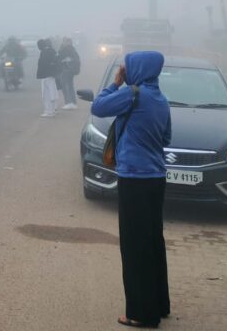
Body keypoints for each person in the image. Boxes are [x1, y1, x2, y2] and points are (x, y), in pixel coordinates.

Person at [91, 51, 172, 329]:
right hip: (156, 178)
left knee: (135, 246)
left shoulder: (133, 95)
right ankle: (159, 304)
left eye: (128, 67)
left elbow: (98, 107)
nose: (125, 70)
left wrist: (115, 83)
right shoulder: (160, 99)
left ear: (138, 69)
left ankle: (141, 313)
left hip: (134, 179)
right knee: (152, 241)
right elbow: (166, 137)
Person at [35, 38, 60, 117]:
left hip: (46, 76)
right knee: (53, 92)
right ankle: (54, 109)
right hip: (51, 75)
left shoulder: (44, 52)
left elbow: (43, 65)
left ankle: (49, 111)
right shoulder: (51, 51)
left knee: (46, 95)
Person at [57, 36, 82, 110]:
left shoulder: (67, 49)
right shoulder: (71, 49)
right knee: (70, 86)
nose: (65, 42)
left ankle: (68, 103)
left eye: (67, 41)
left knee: (65, 87)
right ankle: (73, 103)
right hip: (70, 70)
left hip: (66, 69)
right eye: (65, 41)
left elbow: (60, 58)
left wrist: (65, 60)